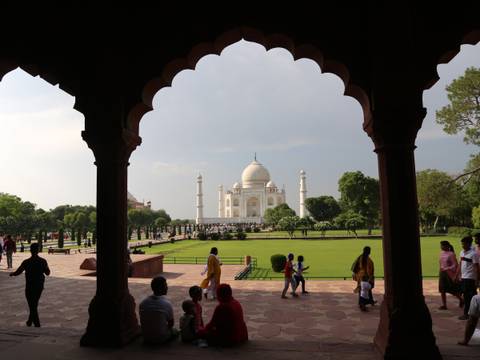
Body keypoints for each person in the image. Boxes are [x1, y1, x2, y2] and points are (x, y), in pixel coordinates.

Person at [9, 243, 50, 327]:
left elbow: (18, 272)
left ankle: (37, 324)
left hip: (30, 286)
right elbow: (48, 273)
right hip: (39, 286)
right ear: (38, 251)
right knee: (34, 304)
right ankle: (29, 322)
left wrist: (12, 274)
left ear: (30, 250)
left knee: (32, 304)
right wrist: (45, 267)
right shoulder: (43, 261)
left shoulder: (26, 262)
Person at [139, 276, 178, 344]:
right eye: (165, 286)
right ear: (160, 289)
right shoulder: (166, 304)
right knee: (175, 331)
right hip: (161, 339)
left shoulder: (143, 303)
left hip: (146, 337)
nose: (167, 288)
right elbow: (171, 324)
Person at [457, 236, 480, 320]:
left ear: (469, 244)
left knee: (470, 297)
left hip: (470, 278)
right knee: (467, 296)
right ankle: (472, 312)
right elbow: (460, 264)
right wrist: (457, 275)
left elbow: (477, 268)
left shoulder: (473, 254)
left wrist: (477, 280)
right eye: (462, 243)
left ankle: (467, 314)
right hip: (464, 277)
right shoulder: (462, 253)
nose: (463, 245)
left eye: (464, 243)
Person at [438, 240, 462, 310]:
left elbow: (455, 265)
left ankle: (461, 299)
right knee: (442, 289)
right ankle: (444, 305)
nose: (441, 247)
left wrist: (447, 268)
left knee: (452, 289)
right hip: (442, 273)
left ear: (447, 246)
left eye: (442, 245)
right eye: (441, 245)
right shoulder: (441, 253)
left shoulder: (451, 254)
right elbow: (441, 263)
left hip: (449, 273)